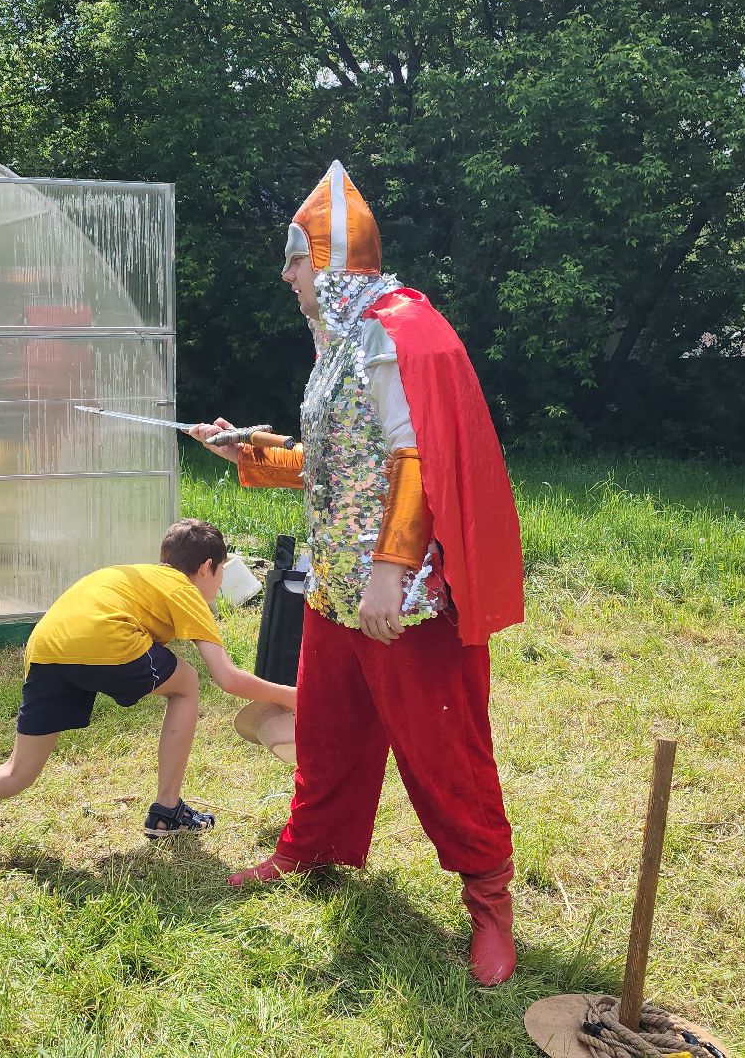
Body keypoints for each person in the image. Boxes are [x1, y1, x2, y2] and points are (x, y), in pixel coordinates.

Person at [191, 162, 527, 985]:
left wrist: (392, 567)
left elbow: (418, 458)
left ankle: (489, 905)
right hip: (335, 585)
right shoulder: (337, 341)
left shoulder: (399, 330)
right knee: (329, 730)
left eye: (296, 260)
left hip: (402, 596)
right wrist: (253, 452)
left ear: (331, 264)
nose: (286, 275)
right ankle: (312, 850)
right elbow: (337, 463)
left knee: (442, 746)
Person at [0, 518, 295, 871]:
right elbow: (228, 678)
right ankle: (167, 810)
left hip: (47, 647)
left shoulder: (133, 577)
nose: (215, 587)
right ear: (207, 567)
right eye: (218, 576)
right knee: (187, 685)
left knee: (17, 771)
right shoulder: (184, 588)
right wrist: (295, 696)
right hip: (105, 641)